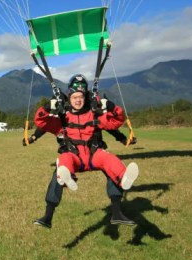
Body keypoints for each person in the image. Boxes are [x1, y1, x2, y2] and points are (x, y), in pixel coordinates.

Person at [31, 74, 139, 228]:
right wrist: (48, 107)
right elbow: (41, 122)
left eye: (80, 97)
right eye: (74, 97)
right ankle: (49, 214)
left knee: (111, 161)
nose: (78, 100)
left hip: (94, 155)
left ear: (85, 97)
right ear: (69, 98)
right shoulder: (63, 118)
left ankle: (123, 182)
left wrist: (110, 106)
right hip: (74, 157)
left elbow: (115, 122)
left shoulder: (95, 114)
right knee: (63, 163)